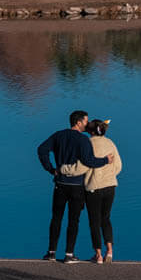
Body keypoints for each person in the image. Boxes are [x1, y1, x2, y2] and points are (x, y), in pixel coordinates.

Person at [37, 109, 113, 263]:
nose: (88, 123)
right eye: (86, 121)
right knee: (73, 220)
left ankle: (51, 252)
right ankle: (69, 254)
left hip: (60, 184)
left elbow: (42, 149)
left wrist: (51, 169)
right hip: (77, 185)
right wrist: (106, 161)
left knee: (56, 218)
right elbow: (89, 161)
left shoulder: (58, 135)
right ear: (78, 122)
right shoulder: (83, 140)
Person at [83, 119, 121, 263]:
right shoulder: (110, 143)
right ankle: (109, 251)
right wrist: (109, 174)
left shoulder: (88, 143)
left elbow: (84, 164)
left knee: (94, 221)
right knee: (106, 218)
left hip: (93, 186)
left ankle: (98, 254)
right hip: (110, 185)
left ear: (90, 131)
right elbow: (118, 165)